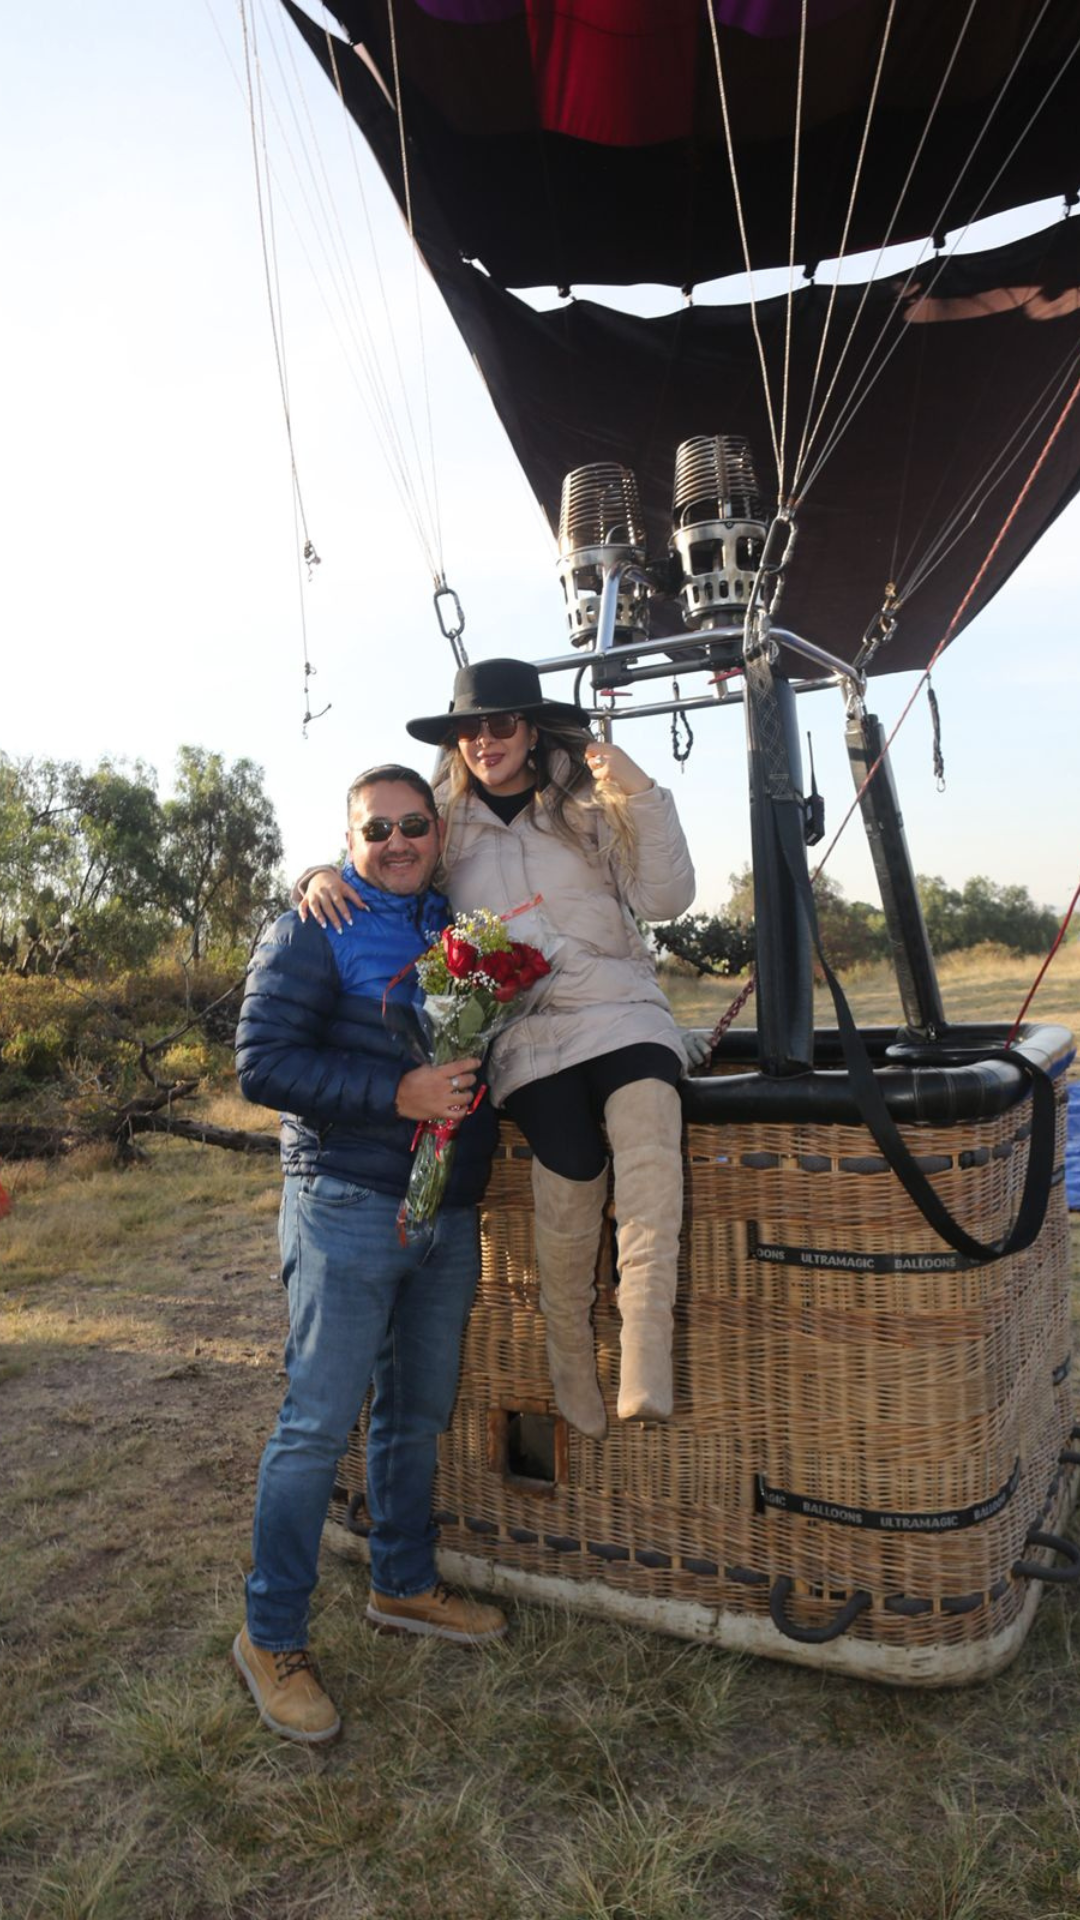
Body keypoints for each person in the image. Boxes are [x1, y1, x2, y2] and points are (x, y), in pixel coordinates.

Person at [299, 660, 697, 1441]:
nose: (487, 740)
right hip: (525, 1030)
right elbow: (387, 865)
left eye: (504, 724)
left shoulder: (588, 804)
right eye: (471, 729)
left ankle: (647, 1342)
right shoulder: (445, 827)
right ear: (457, 740)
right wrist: (318, 873)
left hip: (618, 1005)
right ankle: (569, 1353)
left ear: (532, 729)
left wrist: (643, 794)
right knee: (572, 1162)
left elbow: (665, 899)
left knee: (649, 1119)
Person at [233, 763, 505, 1748]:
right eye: (374, 829)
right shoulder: (314, 924)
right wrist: (397, 1096)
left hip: (443, 1212)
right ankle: (271, 1638)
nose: (395, 841)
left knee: (416, 1413)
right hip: (345, 1201)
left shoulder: (457, 931)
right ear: (348, 843)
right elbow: (261, 1062)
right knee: (317, 1424)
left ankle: (402, 1583)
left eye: (413, 825)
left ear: (440, 834)